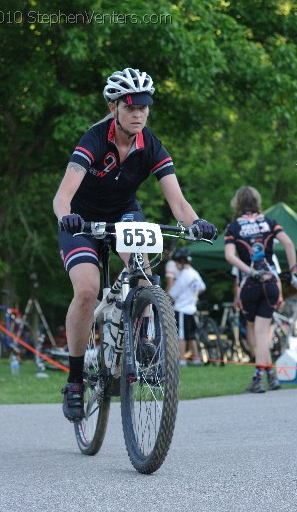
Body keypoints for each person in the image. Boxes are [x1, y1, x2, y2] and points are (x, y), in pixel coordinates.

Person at [53, 67, 218, 421]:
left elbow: (178, 202)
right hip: (81, 219)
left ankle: (142, 342)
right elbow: (62, 196)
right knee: (87, 291)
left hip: (124, 214)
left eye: (144, 107)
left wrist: (196, 223)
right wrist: (67, 216)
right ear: (114, 107)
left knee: (142, 273)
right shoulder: (94, 139)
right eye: (131, 107)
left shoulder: (151, 145)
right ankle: (75, 380)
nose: (139, 114)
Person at [224, 186, 297, 393]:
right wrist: (293, 272)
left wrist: (250, 271)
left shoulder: (233, 227)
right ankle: (270, 376)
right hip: (270, 283)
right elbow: (289, 243)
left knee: (257, 333)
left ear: (237, 203)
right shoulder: (269, 222)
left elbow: (230, 256)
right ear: (257, 201)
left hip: (249, 285)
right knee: (262, 333)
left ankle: (259, 377)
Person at [169, 248, 206, 366]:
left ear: (181, 261)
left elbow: (172, 294)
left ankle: (182, 360)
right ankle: (196, 359)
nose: (176, 265)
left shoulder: (183, 276)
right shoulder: (194, 273)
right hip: (191, 308)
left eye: (177, 262)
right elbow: (202, 287)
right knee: (191, 336)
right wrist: (193, 296)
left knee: (182, 336)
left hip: (181, 309)